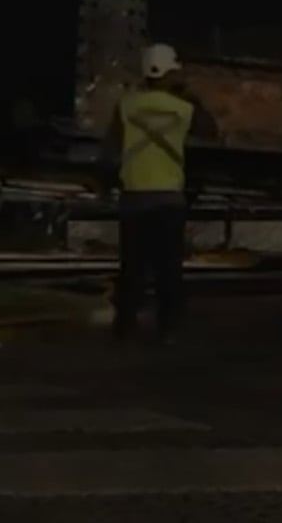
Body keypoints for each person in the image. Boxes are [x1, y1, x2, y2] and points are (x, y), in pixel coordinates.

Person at [100, 42, 217, 343]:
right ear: (168, 73)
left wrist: (107, 185)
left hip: (134, 198)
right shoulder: (184, 108)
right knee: (168, 269)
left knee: (132, 268)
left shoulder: (126, 106)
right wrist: (188, 95)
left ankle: (124, 327)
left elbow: (110, 151)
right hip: (168, 199)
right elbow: (210, 130)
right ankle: (169, 329)